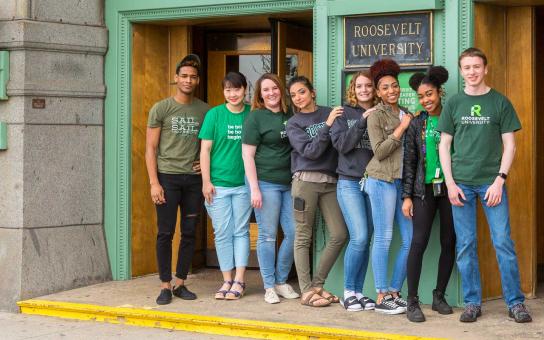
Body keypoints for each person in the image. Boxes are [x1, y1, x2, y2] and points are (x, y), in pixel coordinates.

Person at [437, 47, 532, 323]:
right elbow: (444, 145)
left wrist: (500, 181)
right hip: (461, 185)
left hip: (492, 183)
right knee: (466, 245)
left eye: (477, 66)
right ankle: (472, 303)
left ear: (485, 69)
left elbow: (510, 145)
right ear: (461, 71)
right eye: (467, 67)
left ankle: (515, 303)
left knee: (503, 242)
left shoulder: (500, 102)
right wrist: (450, 184)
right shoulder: (454, 104)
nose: (472, 72)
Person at [145, 54, 210, 305]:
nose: (188, 80)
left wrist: (206, 167)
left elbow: (211, 145)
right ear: (176, 78)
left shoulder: (205, 110)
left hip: (193, 180)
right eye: (184, 76)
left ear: (198, 80)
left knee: (190, 232)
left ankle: (181, 283)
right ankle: (164, 285)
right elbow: (150, 147)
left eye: (193, 77)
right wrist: (154, 182)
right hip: (167, 178)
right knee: (165, 232)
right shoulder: (161, 108)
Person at [286, 76, 348, 308]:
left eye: (302, 92)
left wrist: (332, 123)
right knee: (303, 236)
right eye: (293, 95)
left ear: (312, 92)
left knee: (340, 234)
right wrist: (328, 126)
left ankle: (317, 285)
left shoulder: (330, 112)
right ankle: (306, 291)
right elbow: (310, 152)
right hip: (305, 183)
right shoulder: (293, 123)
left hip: (331, 183)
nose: (298, 98)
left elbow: (341, 144)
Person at [402, 66, 456, 322]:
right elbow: (409, 161)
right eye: (421, 96)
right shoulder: (416, 123)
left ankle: (439, 295)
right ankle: (412, 301)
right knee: (419, 242)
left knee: (449, 241)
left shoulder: (452, 117)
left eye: (430, 94)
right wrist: (407, 196)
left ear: (439, 92)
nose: (426, 99)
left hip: (450, 189)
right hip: (423, 191)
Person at [242, 73, 299, 304]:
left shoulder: (290, 114)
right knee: (266, 235)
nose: (271, 93)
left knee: (294, 233)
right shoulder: (256, 118)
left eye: (274, 88)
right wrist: (254, 188)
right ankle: (268, 285)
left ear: (281, 90)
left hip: (289, 183)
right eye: (266, 90)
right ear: (259, 95)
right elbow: (247, 155)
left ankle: (281, 280)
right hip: (264, 182)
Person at [364, 58, 413, 314]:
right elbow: (380, 152)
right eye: (385, 87)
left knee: (410, 239)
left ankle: (395, 290)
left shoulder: (406, 112)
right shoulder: (376, 116)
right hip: (380, 180)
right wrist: (401, 129)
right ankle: (382, 295)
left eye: (394, 86)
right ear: (378, 92)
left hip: (401, 184)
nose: (391, 90)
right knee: (383, 237)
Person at [199, 71, 252, 300]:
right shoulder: (214, 115)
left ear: (245, 90)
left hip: (243, 185)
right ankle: (226, 280)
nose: (232, 94)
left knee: (241, 231)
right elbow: (205, 150)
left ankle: (240, 280)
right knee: (222, 233)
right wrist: (206, 181)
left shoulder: (252, 114)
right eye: (228, 90)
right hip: (218, 185)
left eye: (237, 89)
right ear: (223, 92)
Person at [330, 70, 376, 311]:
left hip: (374, 183)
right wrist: (362, 122)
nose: (364, 90)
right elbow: (342, 145)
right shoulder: (342, 113)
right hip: (349, 182)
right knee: (358, 236)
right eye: (359, 86)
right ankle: (347, 291)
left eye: (368, 85)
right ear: (353, 89)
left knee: (367, 238)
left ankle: (359, 292)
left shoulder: (381, 111)